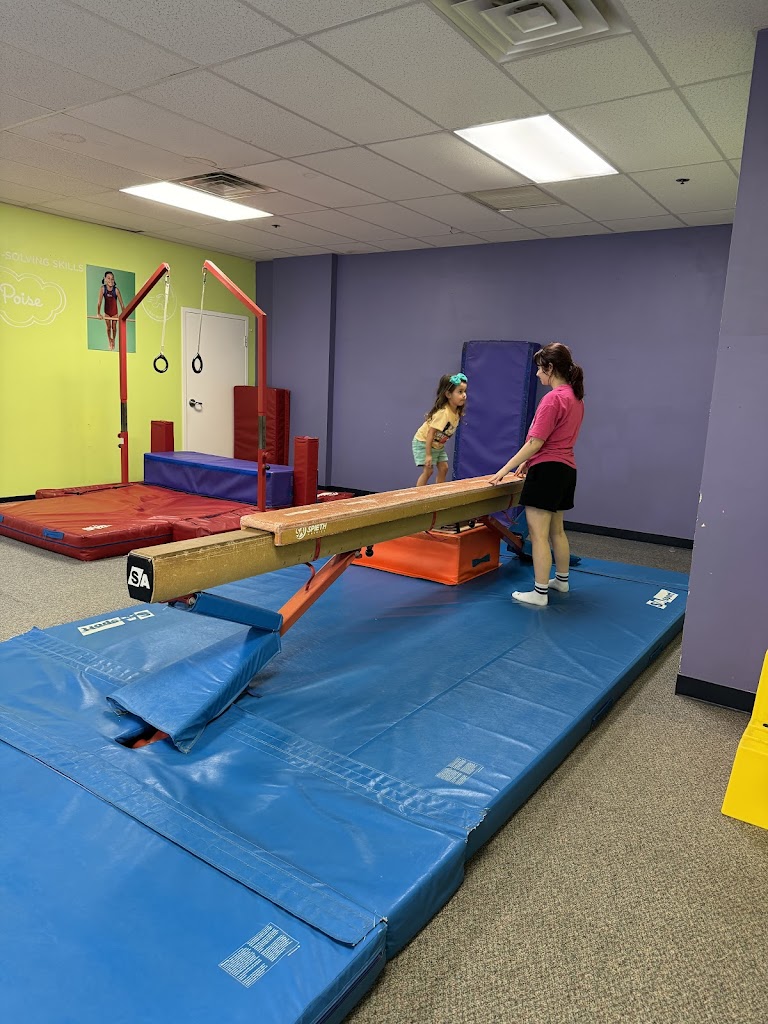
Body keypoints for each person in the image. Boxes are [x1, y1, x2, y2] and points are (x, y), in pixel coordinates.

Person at [490, 343, 585, 607]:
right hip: (566, 471)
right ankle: (561, 581)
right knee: (557, 531)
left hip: (547, 472)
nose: (537, 374)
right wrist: (528, 462)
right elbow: (554, 440)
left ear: (550, 368)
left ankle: (539, 593)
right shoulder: (576, 398)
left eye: (540, 369)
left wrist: (505, 469)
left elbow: (536, 442)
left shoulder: (553, 399)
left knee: (539, 535)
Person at [412, 372, 468, 486]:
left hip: (437, 445)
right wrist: (428, 455)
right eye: (460, 392)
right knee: (428, 471)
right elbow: (430, 433)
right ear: (448, 394)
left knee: (444, 468)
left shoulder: (456, 412)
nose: (464, 395)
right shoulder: (443, 413)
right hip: (424, 442)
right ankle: (417, 494)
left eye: (464, 391)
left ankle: (439, 491)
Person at [96, 271, 124, 351]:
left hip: (114, 312)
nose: (110, 280)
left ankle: (113, 340)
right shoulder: (103, 289)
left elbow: (122, 304)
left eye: (112, 279)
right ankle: (109, 340)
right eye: (108, 278)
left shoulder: (116, 290)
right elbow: (99, 302)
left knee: (114, 327)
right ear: (105, 279)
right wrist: (98, 313)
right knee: (108, 327)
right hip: (107, 312)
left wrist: (124, 315)